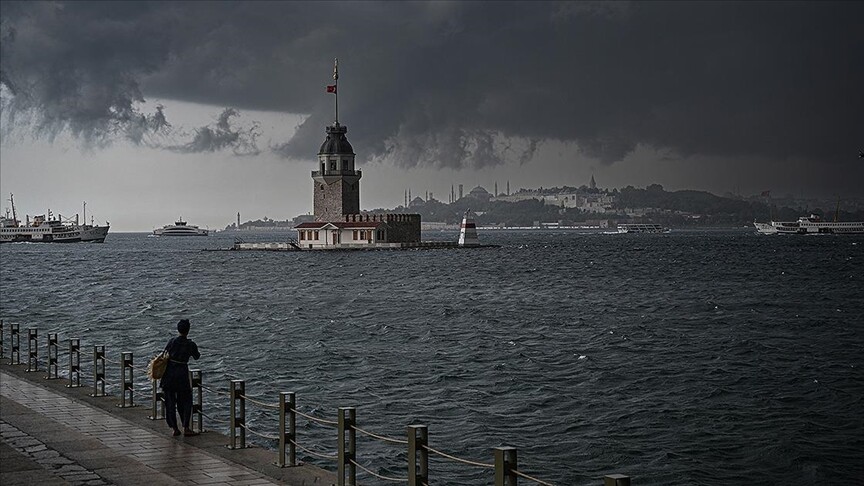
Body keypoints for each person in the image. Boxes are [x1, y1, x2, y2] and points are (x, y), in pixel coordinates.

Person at [161, 318, 201, 436]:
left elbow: (164, 354)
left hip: (169, 374)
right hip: (182, 374)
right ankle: (186, 427)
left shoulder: (172, 341)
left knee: (170, 402)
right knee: (186, 401)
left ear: (178, 329)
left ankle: (174, 428)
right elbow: (197, 356)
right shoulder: (190, 344)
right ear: (188, 330)